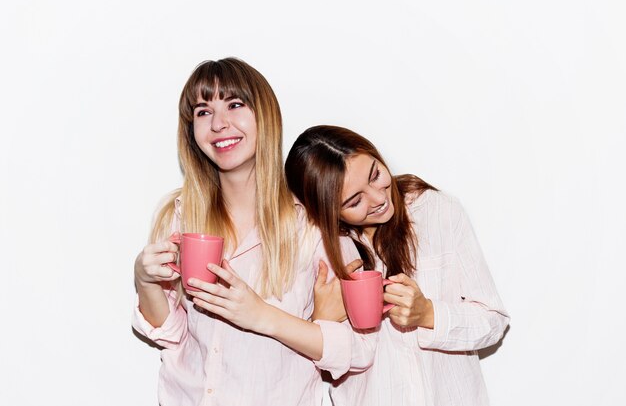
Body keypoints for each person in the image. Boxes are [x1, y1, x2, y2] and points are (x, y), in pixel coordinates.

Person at [132, 60, 373, 406]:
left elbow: (359, 350)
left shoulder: (314, 225)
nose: (218, 124)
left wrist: (261, 316)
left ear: (265, 116)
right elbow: (170, 333)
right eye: (203, 111)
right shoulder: (180, 215)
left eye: (234, 105)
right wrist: (145, 280)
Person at [285, 125, 510, 406]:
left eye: (376, 174)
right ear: (328, 212)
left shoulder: (437, 212)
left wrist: (428, 314)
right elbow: (324, 369)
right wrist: (322, 321)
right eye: (355, 200)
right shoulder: (319, 249)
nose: (379, 198)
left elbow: (493, 321)